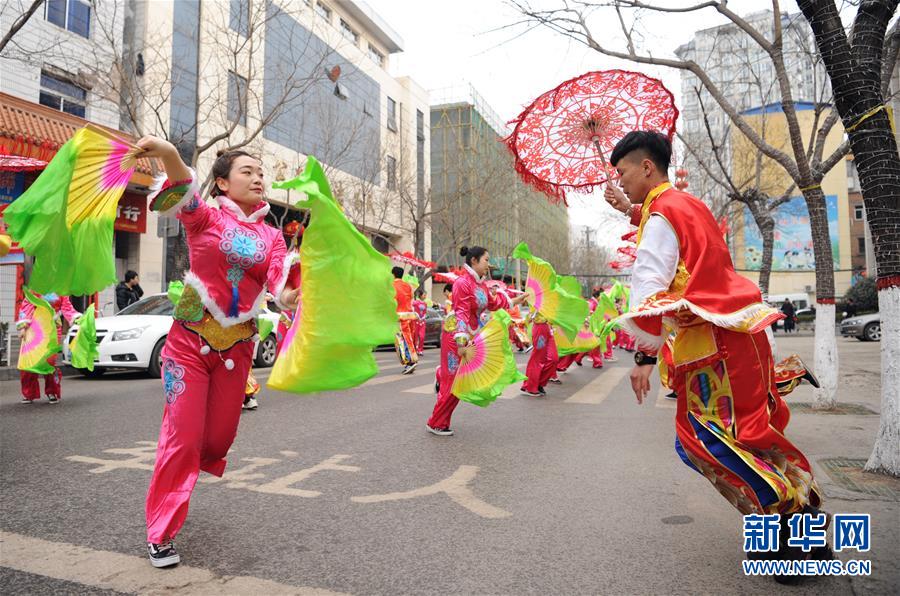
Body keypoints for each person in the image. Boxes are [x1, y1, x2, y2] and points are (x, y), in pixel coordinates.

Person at [604, 131, 826, 580]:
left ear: (647, 167)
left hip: (713, 348)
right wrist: (632, 211)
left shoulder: (662, 214)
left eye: (623, 171)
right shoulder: (686, 205)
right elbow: (676, 240)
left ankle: (782, 536)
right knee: (752, 435)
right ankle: (806, 535)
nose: (620, 180)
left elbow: (649, 283)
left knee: (701, 442)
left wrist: (644, 358)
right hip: (741, 336)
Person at [136, 137, 299, 569]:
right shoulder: (203, 217)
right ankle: (161, 533)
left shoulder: (272, 236)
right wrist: (168, 152)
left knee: (218, 440)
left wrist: (292, 295)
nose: (259, 178)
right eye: (248, 171)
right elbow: (182, 186)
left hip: (238, 347)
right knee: (184, 439)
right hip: (188, 344)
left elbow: (280, 287)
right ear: (223, 183)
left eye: (262, 173)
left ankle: (183, 460)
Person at [427, 246, 525, 435]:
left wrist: (515, 301)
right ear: (474, 260)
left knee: (460, 378)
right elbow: (462, 312)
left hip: (470, 333)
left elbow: (493, 303)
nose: (489, 264)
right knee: (455, 382)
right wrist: (462, 342)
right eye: (486, 260)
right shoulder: (462, 283)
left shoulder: (481, 285)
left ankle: (442, 375)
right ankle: (435, 423)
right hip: (455, 334)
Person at [17, 292, 80, 404]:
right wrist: (23, 327)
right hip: (34, 328)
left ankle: (52, 391)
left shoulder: (61, 290)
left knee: (50, 361)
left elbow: (67, 307)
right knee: (30, 361)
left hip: (53, 329)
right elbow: (27, 306)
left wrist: (76, 318)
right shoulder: (35, 288)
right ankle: (29, 393)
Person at [392, 267, 419, 374]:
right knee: (408, 339)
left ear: (393, 274)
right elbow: (411, 297)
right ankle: (412, 360)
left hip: (399, 317)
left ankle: (409, 362)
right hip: (409, 316)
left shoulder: (392, 286)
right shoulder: (408, 286)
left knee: (401, 341)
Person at [412, 288, 428, 356]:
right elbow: (412, 310)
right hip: (416, 322)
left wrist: (423, 317)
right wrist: (417, 316)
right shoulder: (415, 302)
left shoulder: (425, 303)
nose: (425, 296)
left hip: (422, 322)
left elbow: (425, 312)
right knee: (415, 336)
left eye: (425, 295)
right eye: (424, 295)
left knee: (422, 336)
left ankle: (420, 350)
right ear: (420, 295)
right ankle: (415, 349)